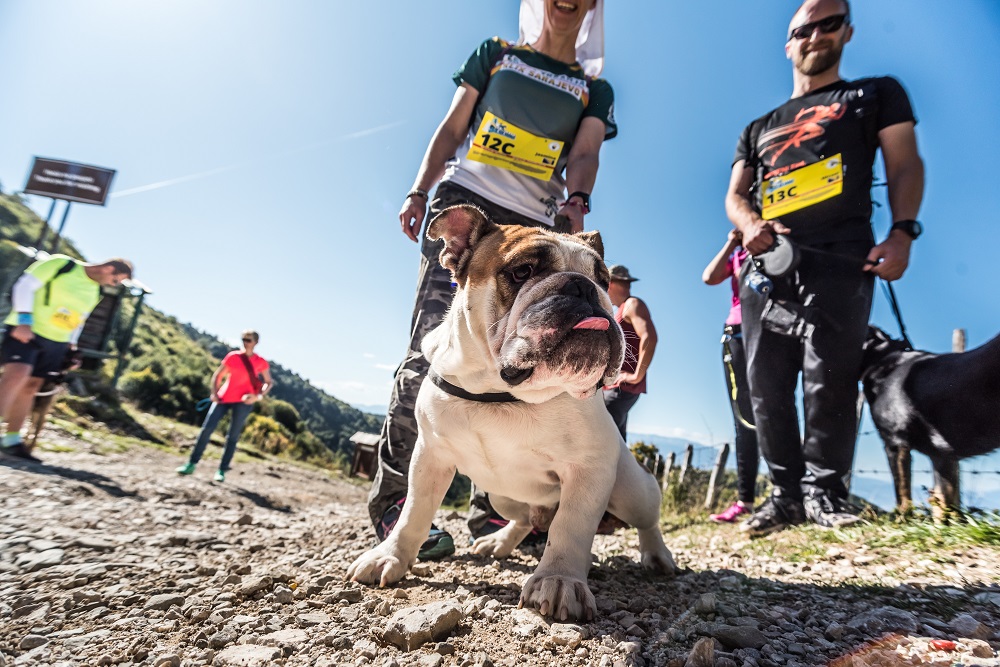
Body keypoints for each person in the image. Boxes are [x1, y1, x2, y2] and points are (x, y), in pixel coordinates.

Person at [370, 0, 616, 559]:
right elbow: (456, 125)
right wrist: (418, 188)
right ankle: (395, 511)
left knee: (522, 366)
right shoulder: (496, 54)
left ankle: (495, 513)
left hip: (537, 225)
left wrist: (577, 200)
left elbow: (584, 152)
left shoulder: (592, 89)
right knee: (431, 354)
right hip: (469, 208)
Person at [724, 0, 924, 536]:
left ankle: (826, 493)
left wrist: (903, 231)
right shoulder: (758, 126)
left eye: (828, 24)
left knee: (829, 377)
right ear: (788, 43)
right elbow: (736, 195)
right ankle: (784, 496)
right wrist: (748, 226)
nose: (815, 36)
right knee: (764, 382)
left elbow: (904, 162)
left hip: (843, 255)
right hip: (769, 265)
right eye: (802, 29)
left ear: (847, 32)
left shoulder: (874, 94)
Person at [0, 255, 134, 461]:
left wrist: (72, 348)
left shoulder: (95, 291)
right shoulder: (62, 265)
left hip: (58, 341)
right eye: (116, 280)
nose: (113, 285)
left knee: (31, 387)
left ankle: (11, 440)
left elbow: (79, 320)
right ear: (108, 269)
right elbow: (25, 286)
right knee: (17, 375)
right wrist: (24, 320)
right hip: (28, 330)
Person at [702, 230, 758, 523]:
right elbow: (709, 276)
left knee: (777, 412)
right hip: (737, 334)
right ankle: (746, 500)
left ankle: (792, 494)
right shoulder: (738, 254)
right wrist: (732, 242)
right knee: (744, 419)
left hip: (774, 330)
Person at [177, 330, 273, 482]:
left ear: (256, 342)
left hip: (243, 402)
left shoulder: (260, 362)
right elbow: (218, 375)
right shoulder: (233, 356)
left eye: (248, 340)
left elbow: (268, 382)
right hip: (223, 398)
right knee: (206, 429)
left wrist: (257, 396)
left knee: (232, 437)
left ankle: (221, 470)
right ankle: (191, 463)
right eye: (243, 339)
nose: (245, 342)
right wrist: (214, 393)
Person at [602, 265, 657, 441]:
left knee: (601, 436)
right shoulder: (621, 309)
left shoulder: (633, 305)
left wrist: (636, 376)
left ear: (610, 284)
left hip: (622, 388)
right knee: (615, 441)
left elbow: (650, 337)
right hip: (613, 387)